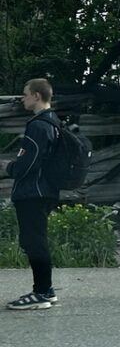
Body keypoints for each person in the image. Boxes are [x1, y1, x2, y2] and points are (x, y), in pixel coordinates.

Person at [2, 78, 61, 310]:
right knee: (36, 240)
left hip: (33, 192)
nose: (23, 98)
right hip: (45, 189)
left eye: (25, 94)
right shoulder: (54, 121)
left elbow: (29, 161)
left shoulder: (38, 125)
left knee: (34, 241)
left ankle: (42, 292)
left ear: (37, 96)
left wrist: (9, 168)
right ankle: (46, 289)